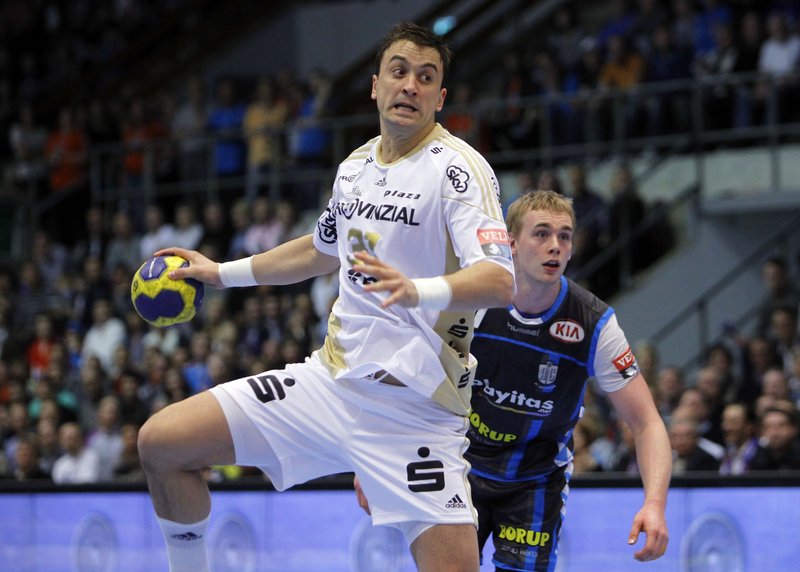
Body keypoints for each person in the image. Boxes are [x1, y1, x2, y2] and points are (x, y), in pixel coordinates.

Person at [137, 22, 515, 572]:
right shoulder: (355, 167)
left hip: (413, 410)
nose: (410, 85)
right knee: (161, 443)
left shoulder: (459, 170)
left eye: (425, 77)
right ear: (376, 85)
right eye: (399, 71)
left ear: (440, 98)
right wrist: (221, 273)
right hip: (329, 385)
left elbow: (499, 280)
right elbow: (319, 251)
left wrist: (417, 291)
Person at [356, 191, 670, 570]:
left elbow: (647, 422)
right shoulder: (471, 299)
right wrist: (374, 460)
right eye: (541, 233)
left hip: (536, 480)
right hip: (458, 464)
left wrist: (655, 504)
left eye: (565, 236)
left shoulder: (595, 324)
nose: (554, 246)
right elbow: (403, 379)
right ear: (511, 243)